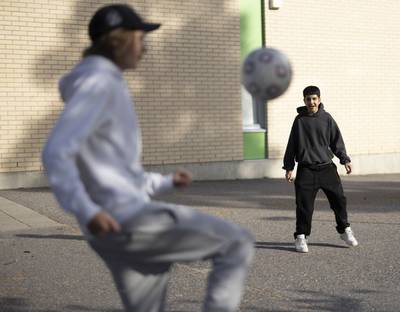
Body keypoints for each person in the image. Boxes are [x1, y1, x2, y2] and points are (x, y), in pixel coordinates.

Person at [42, 4, 254, 311]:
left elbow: (117, 172)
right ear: (119, 40)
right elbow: (56, 151)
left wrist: (166, 181)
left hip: (113, 232)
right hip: (128, 220)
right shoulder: (99, 84)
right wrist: (87, 210)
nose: (145, 48)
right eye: (141, 39)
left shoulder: (103, 83)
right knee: (236, 243)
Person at [283, 85, 358, 253]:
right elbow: (292, 145)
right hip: (306, 170)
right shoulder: (299, 121)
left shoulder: (327, 119)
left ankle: (344, 230)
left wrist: (344, 159)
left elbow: (336, 141)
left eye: (314, 98)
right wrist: (289, 167)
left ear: (319, 99)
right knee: (304, 206)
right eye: (308, 99)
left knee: (339, 200)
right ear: (304, 100)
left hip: (327, 169)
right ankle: (301, 237)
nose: (311, 102)